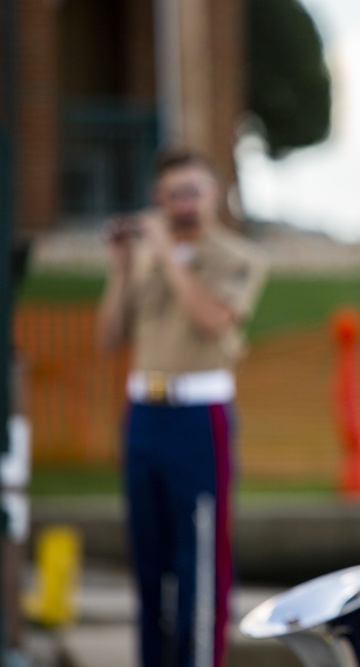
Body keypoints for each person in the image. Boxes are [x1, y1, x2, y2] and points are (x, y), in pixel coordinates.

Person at [96, 147, 268, 667]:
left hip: (199, 417)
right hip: (145, 413)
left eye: (193, 192)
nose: (184, 204)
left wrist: (167, 254)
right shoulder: (149, 256)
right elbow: (108, 338)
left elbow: (213, 319)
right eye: (173, 195)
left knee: (199, 561)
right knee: (148, 562)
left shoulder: (238, 257)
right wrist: (123, 270)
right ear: (158, 198)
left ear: (214, 194)